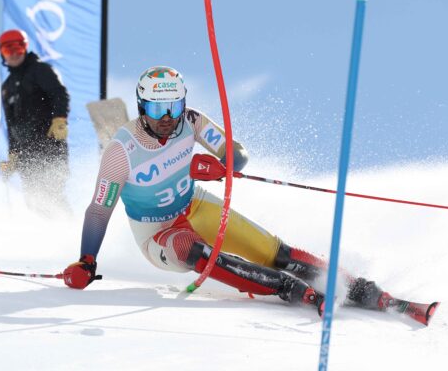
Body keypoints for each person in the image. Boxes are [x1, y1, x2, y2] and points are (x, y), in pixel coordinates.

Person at [63, 66, 389, 316]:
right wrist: (87, 261)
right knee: (187, 247)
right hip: (156, 231)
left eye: (173, 107)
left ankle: (356, 286)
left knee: (275, 253)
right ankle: (287, 288)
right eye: (156, 108)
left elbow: (238, 153)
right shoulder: (122, 150)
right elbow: (98, 209)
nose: (166, 118)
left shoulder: (191, 121)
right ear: (141, 106)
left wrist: (223, 164)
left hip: (194, 205)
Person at [0, 29, 71, 216]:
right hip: (26, 154)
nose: (14, 54)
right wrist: (13, 155)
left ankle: (71, 231)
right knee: (33, 200)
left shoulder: (39, 70)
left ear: (25, 48)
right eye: (8, 50)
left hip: (49, 144)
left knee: (52, 193)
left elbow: (59, 94)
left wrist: (59, 119)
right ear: (2, 54)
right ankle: (51, 239)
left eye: (18, 48)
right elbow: (11, 124)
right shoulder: (7, 87)